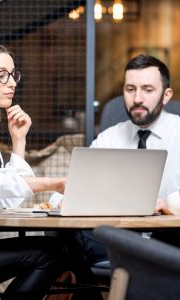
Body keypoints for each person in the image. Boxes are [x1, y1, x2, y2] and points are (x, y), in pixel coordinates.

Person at [49, 54, 180, 276]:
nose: (137, 98)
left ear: (166, 95)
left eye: (148, 90)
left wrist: (168, 206)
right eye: (130, 89)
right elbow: (72, 189)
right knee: (65, 235)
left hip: (169, 239)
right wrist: (64, 200)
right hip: (118, 240)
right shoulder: (110, 137)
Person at [0, 39, 67, 300]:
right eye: (1, 75)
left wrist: (19, 141)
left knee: (54, 250)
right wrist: (52, 183)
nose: (12, 83)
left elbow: (4, 200)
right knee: (48, 254)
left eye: (13, 74)